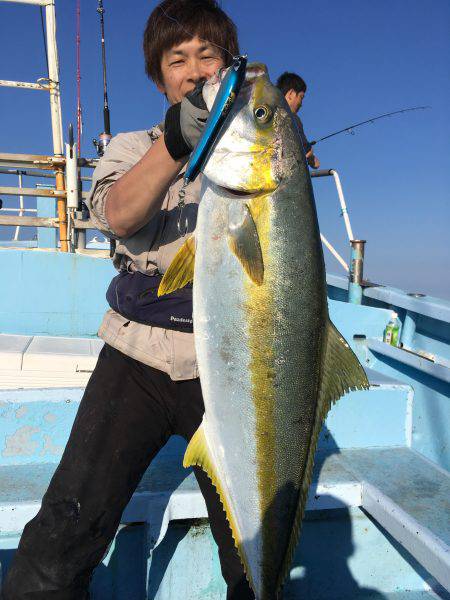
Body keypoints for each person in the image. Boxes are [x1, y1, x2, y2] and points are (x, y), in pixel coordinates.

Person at [1, 1, 255, 599]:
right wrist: (175, 141)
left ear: (228, 67)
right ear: (160, 75)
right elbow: (117, 214)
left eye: (208, 56)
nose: (193, 72)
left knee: (253, 541)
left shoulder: (251, 154)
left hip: (229, 366)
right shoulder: (131, 147)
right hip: (135, 360)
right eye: (177, 59)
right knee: (60, 541)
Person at [276, 71, 320, 169]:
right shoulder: (291, 117)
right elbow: (306, 151)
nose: (301, 103)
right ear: (291, 94)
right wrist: (312, 158)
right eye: (301, 97)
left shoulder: (272, 114)